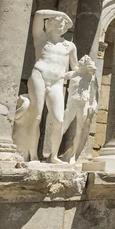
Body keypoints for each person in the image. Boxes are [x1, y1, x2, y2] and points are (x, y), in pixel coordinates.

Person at [26, 10, 77, 163]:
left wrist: (70, 75)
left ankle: (53, 156)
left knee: (59, 120)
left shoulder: (70, 46)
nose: (57, 24)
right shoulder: (41, 39)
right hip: (39, 75)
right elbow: (39, 14)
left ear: (64, 27)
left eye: (60, 22)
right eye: (54, 21)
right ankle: (33, 156)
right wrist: (63, 13)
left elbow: (75, 69)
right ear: (48, 24)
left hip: (57, 82)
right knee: (36, 117)